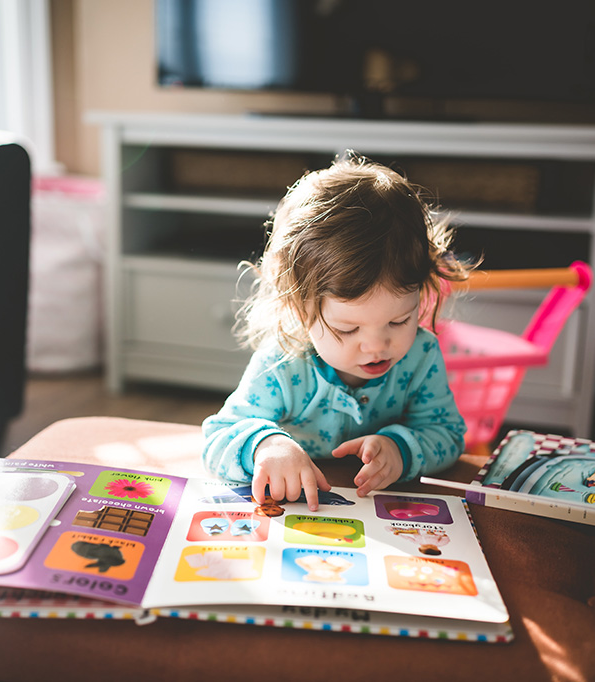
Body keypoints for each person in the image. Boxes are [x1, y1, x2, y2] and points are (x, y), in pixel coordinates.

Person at [202, 154, 471, 511]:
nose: (377, 345)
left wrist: (400, 449)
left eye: (399, 321)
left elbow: (448, 436)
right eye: (348, 328)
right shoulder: (282, 363)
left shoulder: (421, 357)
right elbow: (218, 437)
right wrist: (266, 445)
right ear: (299, 309)